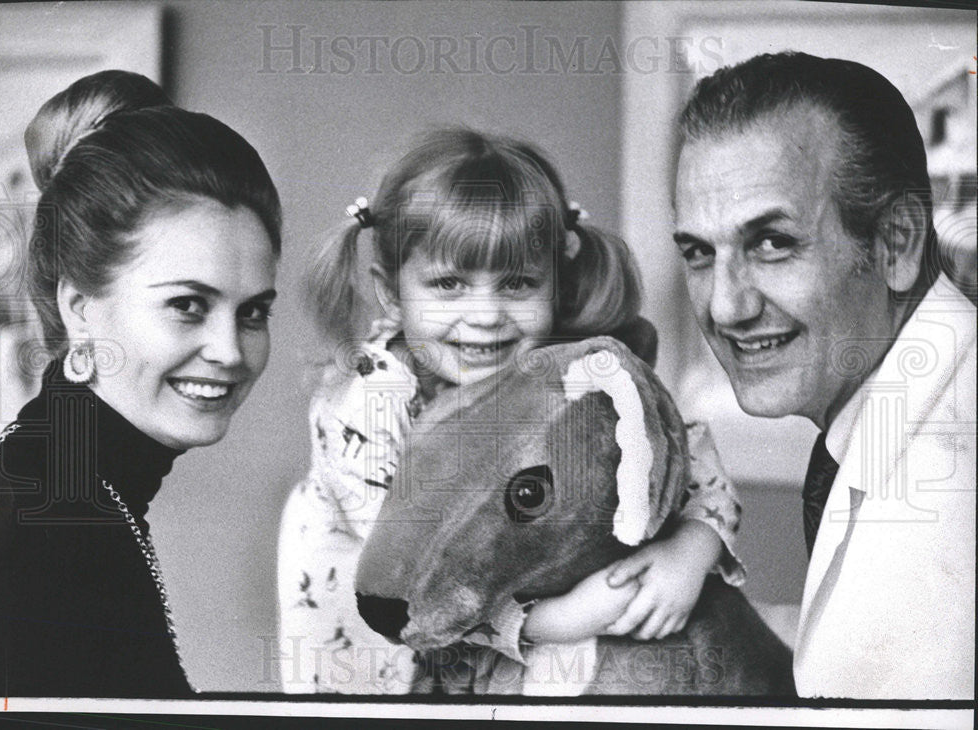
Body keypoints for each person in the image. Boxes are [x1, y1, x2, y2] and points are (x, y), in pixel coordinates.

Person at [276, 128, 744, 693]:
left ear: (556, 284)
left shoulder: (560, 371)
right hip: (385, 659)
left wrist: (689, 552)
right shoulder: (369, 405)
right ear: (392, 294)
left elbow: (685, 453)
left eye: (518, 283)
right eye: (449, 284)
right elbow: (419, 577)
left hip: (490, 661)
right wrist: (550, 621)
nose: (486, 315)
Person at [672, 52, 975, 699]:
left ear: (895, 242)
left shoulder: (938, 501)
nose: (726, 306)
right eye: (700, 252)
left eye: (772, 243)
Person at [0, 70, 282, 697]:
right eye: (187, 305)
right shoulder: (47, 534)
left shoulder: (70, 486)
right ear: (81, 306)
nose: (229, 352)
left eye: (253, 311)